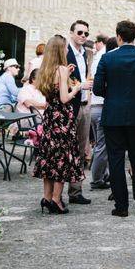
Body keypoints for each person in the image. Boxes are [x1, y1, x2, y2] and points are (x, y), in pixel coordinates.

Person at [93, 20, 135, 217]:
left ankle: (121, 206)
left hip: (113, 114)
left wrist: (113, 95)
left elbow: (97, 89)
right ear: (134, 37)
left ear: (119, 36)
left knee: (115, 160)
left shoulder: (107, 59)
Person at [33, 35, 90, 215]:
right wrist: (78, 88)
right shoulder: (61, 70)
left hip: (50, 118)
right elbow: (65, 98)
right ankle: (57, 199)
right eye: (65, 48)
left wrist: (68, 75)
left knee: (50, 158)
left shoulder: (45, 69)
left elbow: (54, 93)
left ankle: (47, 198)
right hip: (63, 120)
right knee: (62, 159)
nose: (67, 50)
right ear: (60, 50)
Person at [66, 20, 91, 205]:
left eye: (86, 34)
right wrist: (78, 86)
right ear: (72, 33)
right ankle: (59, 193)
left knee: (81, 150)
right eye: (80, 32)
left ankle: (76, 191)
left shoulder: (85, 55)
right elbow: (60, 79)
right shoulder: (66, 53)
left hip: (84, 105)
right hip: (69, 106)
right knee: (67, 149)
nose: (83, 36)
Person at [90, 34, 110, 190]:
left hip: (94, 106)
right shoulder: (105, 58)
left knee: (100, 144)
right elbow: (98, 87)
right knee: (102, 146)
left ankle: (103, 174)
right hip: (102, 106)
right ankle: (97, 179)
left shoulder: (97, 58)